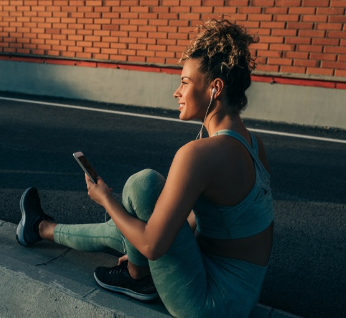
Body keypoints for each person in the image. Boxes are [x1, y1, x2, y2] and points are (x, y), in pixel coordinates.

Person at [15, 18, 274, 318]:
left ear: (215, 88)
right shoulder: (253, 144)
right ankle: (39, 228)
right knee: (130, 227)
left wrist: (106, 200)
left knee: (144, 186)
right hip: (243, 292)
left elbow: (152, 245)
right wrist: (145, 243)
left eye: (185, 83)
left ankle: (136, 278)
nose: (177, 92)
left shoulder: (199, 155)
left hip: (210, 303)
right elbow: (202, 218)